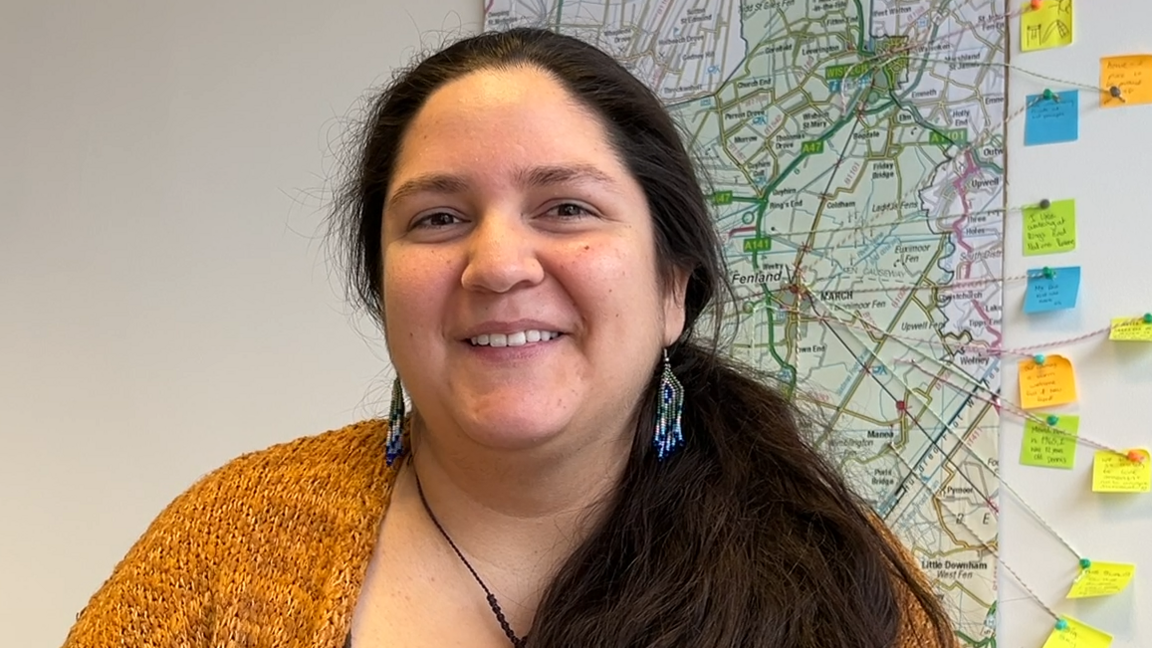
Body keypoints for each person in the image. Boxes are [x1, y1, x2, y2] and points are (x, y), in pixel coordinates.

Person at [62, 27, 956, 648]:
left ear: (673, 288)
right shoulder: (224, 547)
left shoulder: (841, 580)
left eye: (566, 208)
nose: (497, 265)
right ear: (383, 291)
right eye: (440, 217)